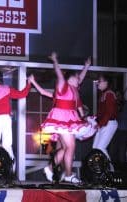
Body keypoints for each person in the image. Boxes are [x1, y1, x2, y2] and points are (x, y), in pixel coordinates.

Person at [40, 52, 96, 184]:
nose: (79, 79)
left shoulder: (74, 88)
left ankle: (52, 170)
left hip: (67, 119)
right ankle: (66, 174)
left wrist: (86, 66)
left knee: (67, 147)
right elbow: (60, 75)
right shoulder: (64, 86)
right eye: (76, 77)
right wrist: (55, 61)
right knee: (70, 146)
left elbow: (80, 78)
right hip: (62, 119)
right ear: (70, 79)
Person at [0, 69, 31, 169]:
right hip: (6, 119)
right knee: (7, 145)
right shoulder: (7, 88)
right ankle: (11, 170)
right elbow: (22, 94)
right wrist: (28, 84)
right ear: (1, 78)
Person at [93, 74, 118, 161]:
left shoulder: (109, 94)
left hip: (109, 123)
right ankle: (103, 170)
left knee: (100, 148)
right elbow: (103, 112)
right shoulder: (105, 94)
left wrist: (100, 124)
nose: (97, 83)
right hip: (106, 123)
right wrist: (94, 118)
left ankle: (110, 171)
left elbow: (109, 112)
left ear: (106, 83)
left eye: (99, 81)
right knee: (96, 148)